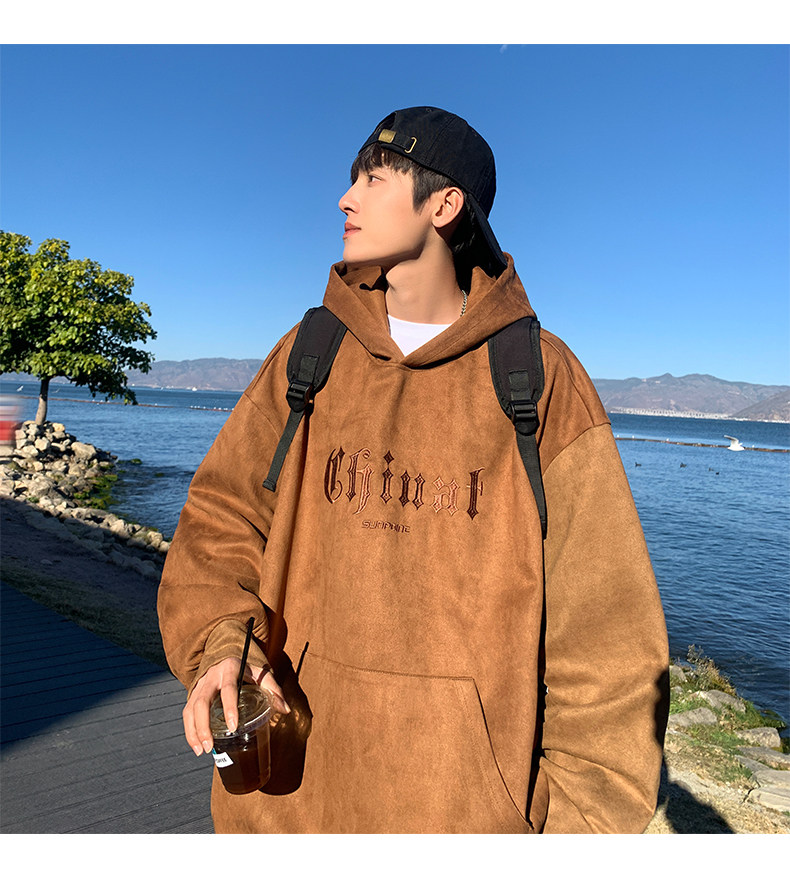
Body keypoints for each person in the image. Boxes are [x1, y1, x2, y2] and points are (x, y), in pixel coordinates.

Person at [157, 106, 669, 834]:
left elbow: (607, 634)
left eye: (375, 178)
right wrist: (223, 642)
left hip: (463, 823)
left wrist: (577, 828)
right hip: (286, 808)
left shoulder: (538, 380)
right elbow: (221, 520)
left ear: (445, 204)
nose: (346, 198)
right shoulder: (309, 356)